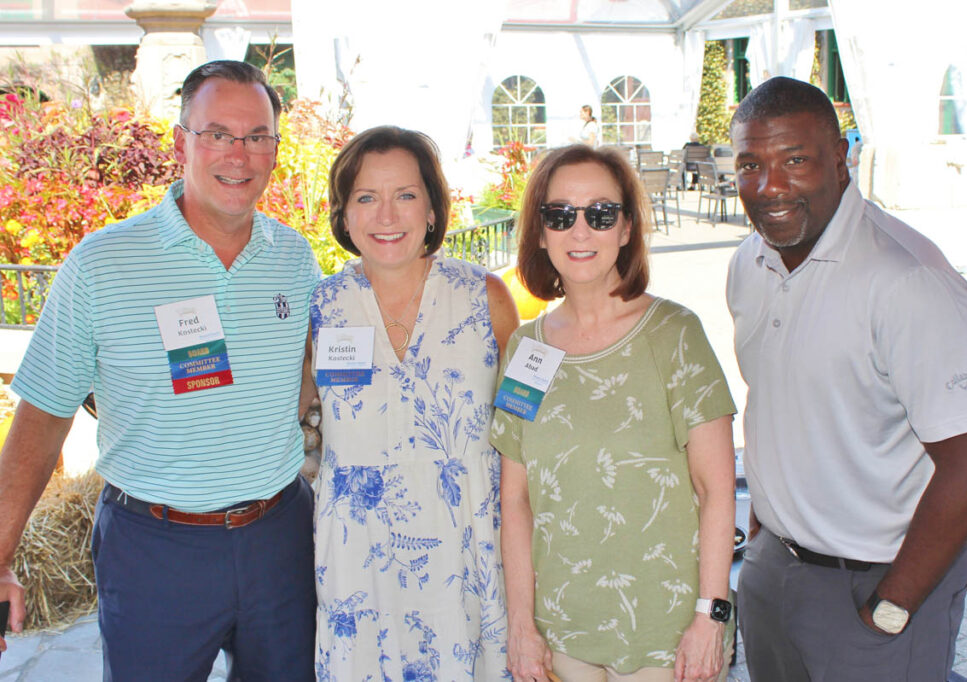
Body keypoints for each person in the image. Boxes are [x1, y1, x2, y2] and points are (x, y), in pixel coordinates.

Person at [0, 60, 320, 680]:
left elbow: (305, 375)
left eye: (257, 136)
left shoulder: (293, 258)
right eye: (217, 133)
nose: (239, 154)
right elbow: (43, 414)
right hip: (155, 550)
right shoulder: (102, 263)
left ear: (275, 150)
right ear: (180, 143)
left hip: (278, 539)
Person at [726, 76, 967, 682]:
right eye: (751, 165)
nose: (769, 186)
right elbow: (779, 402)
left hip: (876, 582)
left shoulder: (908, 280)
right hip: (774, 569)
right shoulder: (749, 262)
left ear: (840, 159)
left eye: (795, 160)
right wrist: (764, 530)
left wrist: (890, 607)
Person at [491, 144, 737, 682]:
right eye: (560, 214)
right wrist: (521, 625)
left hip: (668, 636)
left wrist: (710, 617)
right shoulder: (527, 350)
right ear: (540, 232)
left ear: (626, 229)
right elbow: (516, 500)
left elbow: (717, 490)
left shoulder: (675, 334)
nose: (580, 231)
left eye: (601, 214)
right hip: (561, 633)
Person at [310, 125, 519, 679]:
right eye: (366, 198)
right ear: (343, 215)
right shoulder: (324, 306)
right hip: (359, 563)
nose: (386, 215)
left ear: (431, 209)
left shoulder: (484, 298)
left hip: (468, 554)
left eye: (405, 195)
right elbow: (302, 417)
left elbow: (527, 429)